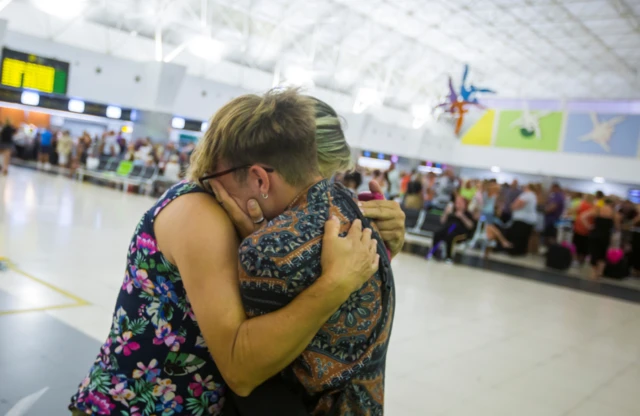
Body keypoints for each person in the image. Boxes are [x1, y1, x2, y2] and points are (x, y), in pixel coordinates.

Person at [69, 90, 406, 416]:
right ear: (264, 176)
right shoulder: (200, 214)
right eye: (312, 186)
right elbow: (240, 368)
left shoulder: (257, 224)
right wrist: (337, 283)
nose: (314, 207)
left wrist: (381, 247)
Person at [204, 91, 394, 415]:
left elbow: (243, 373)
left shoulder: (269, 251)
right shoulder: (350, 211)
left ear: (260, 178)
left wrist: (258, 243)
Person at [486, 184, 537, 256]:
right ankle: (504, 243)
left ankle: (507, 246)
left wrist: (512, 207)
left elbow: (518, 204)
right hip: (525, 219)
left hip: (522, 219)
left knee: (517, 236)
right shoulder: (532, 195)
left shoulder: (526, 195)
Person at [429, 195, 476, 263]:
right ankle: (433, 253)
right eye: (457, 203)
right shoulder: (451, 212)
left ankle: (449, 257)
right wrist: (446, 213)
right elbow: (442, 221)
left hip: (460, 233)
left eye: (460, 203)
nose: (458, 204)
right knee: (437, 234)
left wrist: (462, 217)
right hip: (448, 229)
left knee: (450, 236)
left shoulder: (467, 213)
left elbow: (470, 226)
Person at [583, 199, 620, 279]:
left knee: (594, 253)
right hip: (606, 236)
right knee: (602, 255)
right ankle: (599, 273)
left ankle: (593, 273)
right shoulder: (614, 214)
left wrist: (589, 226)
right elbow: (617, 228)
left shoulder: (598, 210)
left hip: (595, 234)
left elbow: (583, 216)